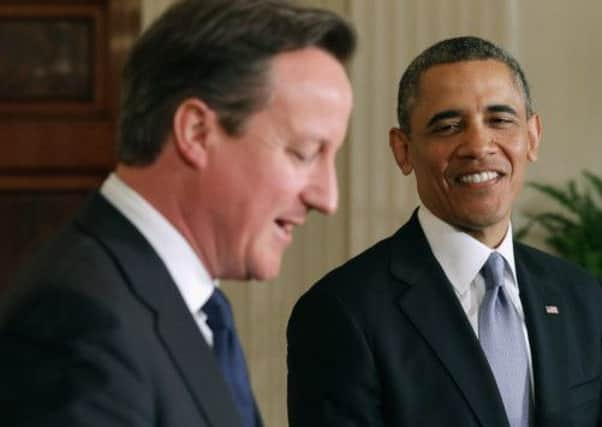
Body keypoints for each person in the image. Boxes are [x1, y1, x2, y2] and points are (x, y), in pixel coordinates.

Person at [0, 1, 354, 426]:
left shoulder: (188, 303)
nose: (327, 198)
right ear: (196, 132)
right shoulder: (75, 322)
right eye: (304, 153)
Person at [287, 36, 602, 427]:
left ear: (532, 136)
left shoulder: (584, 298)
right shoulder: (341, 312)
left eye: (500, 120)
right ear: (403, 150)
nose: (478, 145)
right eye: (449, 126)